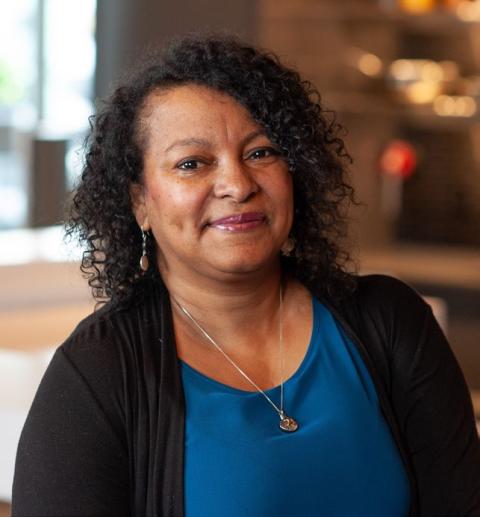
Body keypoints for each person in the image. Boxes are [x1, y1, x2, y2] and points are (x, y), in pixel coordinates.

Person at [12, 35, 480, 517]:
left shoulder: (391, 322)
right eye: (192, 163)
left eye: (261, 153)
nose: (238, 184)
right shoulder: (98, 373)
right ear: (140, 203)